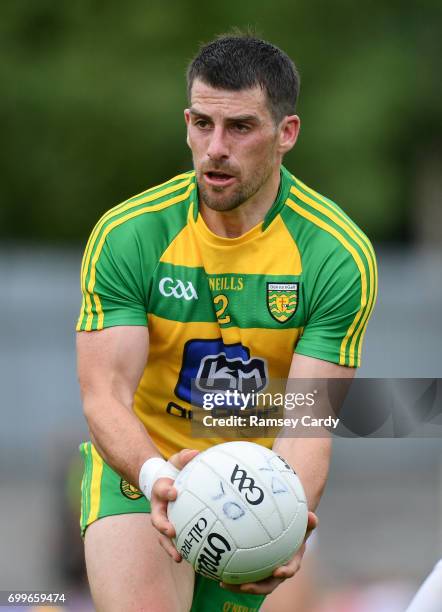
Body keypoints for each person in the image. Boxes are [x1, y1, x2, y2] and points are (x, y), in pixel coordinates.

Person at [76, 33, 377, 612]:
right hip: (141, 463)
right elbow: (104, 394)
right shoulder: (128, 234)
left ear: (286, 133)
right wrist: (158, 476)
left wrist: (290, 523)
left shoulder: (336, 254)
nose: (214, 147)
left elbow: (309, 420)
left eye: (240, 127)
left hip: (256, 484)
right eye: (202, 123)